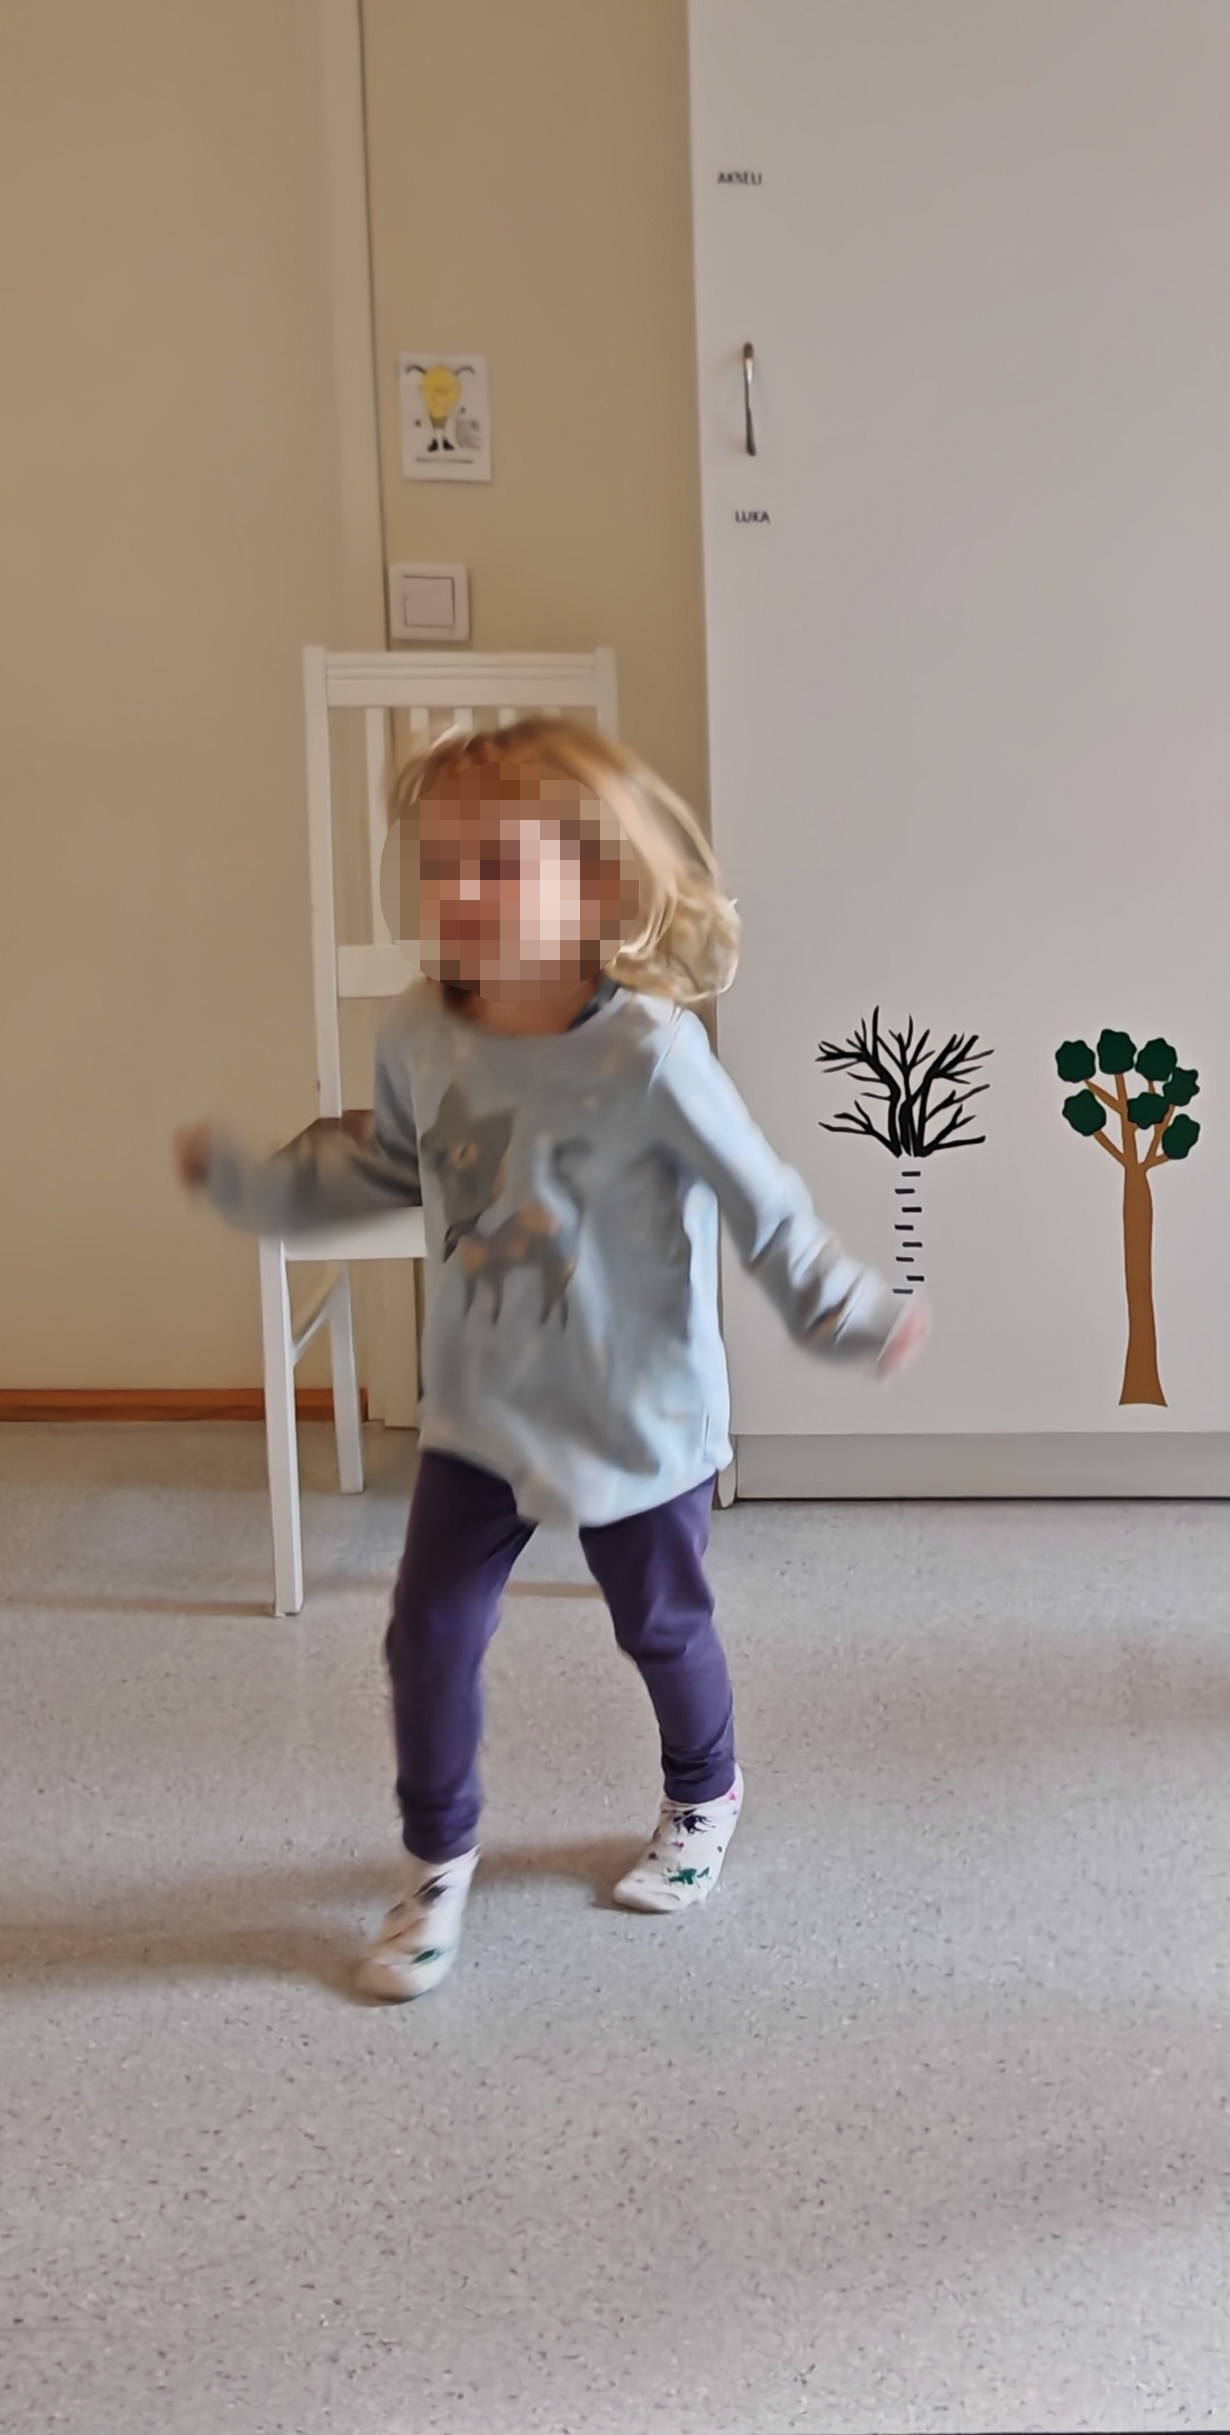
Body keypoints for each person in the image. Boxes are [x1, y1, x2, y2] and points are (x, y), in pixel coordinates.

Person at [177, 718, 925, 2002]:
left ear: (593, 889)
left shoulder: (651, 1051)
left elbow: (763, 1204)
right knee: (427, 1633)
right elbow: (389, 1166)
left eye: (496, 864)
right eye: (438, 863)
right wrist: (256, 1187)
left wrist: (843, 1311)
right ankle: (436, 1859)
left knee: (660, 1623)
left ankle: (704, 1791)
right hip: (482, 1407)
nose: (457, 892)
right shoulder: (419, 1033)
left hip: (638, 1413)